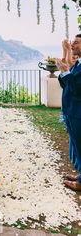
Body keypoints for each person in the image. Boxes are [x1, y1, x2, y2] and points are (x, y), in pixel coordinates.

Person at [57, 34, 81, 191]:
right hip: (71, 112)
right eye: (73, 41)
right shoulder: (78, 63)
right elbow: (65, 83)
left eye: (77, 42)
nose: (73, 44)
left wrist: (66, 72)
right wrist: (63, 72)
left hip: (78, 114)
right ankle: (80, 175)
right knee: (78, 148)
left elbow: (78, 90)